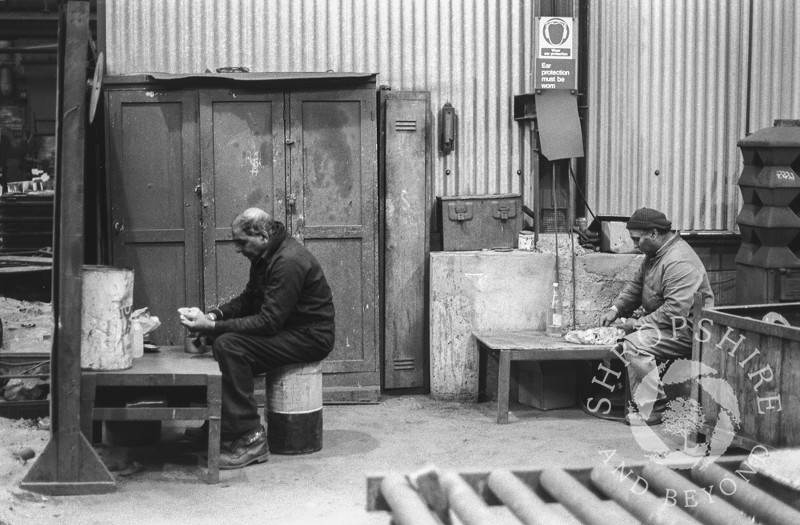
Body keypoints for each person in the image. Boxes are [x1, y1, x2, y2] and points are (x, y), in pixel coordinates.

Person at [180, 208, 335, 469]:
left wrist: (213, 327)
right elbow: (249, 299)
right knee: (223, 341)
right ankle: (225, 426)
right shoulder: (266, 255)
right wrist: (213, 316)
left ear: (262, 235)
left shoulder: (288, 261)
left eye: (242, 242)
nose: (237, 250)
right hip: (289, 328)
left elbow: (268, 322)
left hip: (310, 336)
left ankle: (250, 437)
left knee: (230, 346)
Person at [599, 207, 713, 424]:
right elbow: (636, 286)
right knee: (627, 339)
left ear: (653, 233)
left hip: (688, 330)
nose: (634, 245)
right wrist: (615, 309)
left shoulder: (679, 261)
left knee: (635, 344)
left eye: (636, 239)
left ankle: (653, 409)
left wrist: (637, 324)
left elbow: (675, 312)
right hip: (667, 326)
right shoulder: (654, 254)